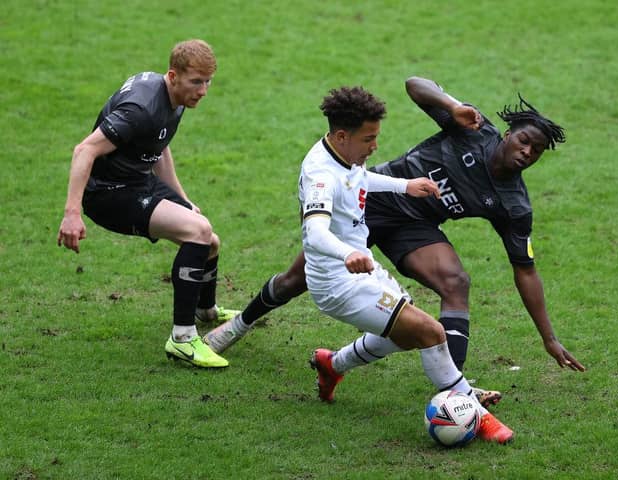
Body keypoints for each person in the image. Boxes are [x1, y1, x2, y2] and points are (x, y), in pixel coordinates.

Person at [204, 76, 586, 398]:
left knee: (456, 283)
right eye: (523, 141)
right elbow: (414, 84)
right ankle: (238, 326)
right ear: (508, 134)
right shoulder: (473, 128)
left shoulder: (513, 205)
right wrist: (451, 104)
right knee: (294, 280)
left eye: (535, 151)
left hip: (414, 228)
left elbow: (526, 271)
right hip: (373, 199)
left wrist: (549, 339)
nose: (526, 152)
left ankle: (455, 394)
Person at [299, 85, 512, 443]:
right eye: (368, 138)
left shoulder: (343, 157)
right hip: (339, 281)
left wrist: (404, 185)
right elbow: (316, 232)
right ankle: (473, 409)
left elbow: (358, 179)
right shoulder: (320, 175)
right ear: (341, 135)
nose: (375, 146)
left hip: (362, 272)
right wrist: (346, 254)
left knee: (406, 337)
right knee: (431, 332)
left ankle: (331, 365)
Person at [57, 39, 238, 368]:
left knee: (209, 241)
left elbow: (159, 143)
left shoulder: (175, 97)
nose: (203, 91)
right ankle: (183, 338)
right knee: (198, 232)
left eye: (208, 81)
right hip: (108, 193)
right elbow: (84, 150)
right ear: (172, 76)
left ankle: (205, 310)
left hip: (137, 180)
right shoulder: (139, 109)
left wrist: (182, 199)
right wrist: (72, 213)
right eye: (196, 82)